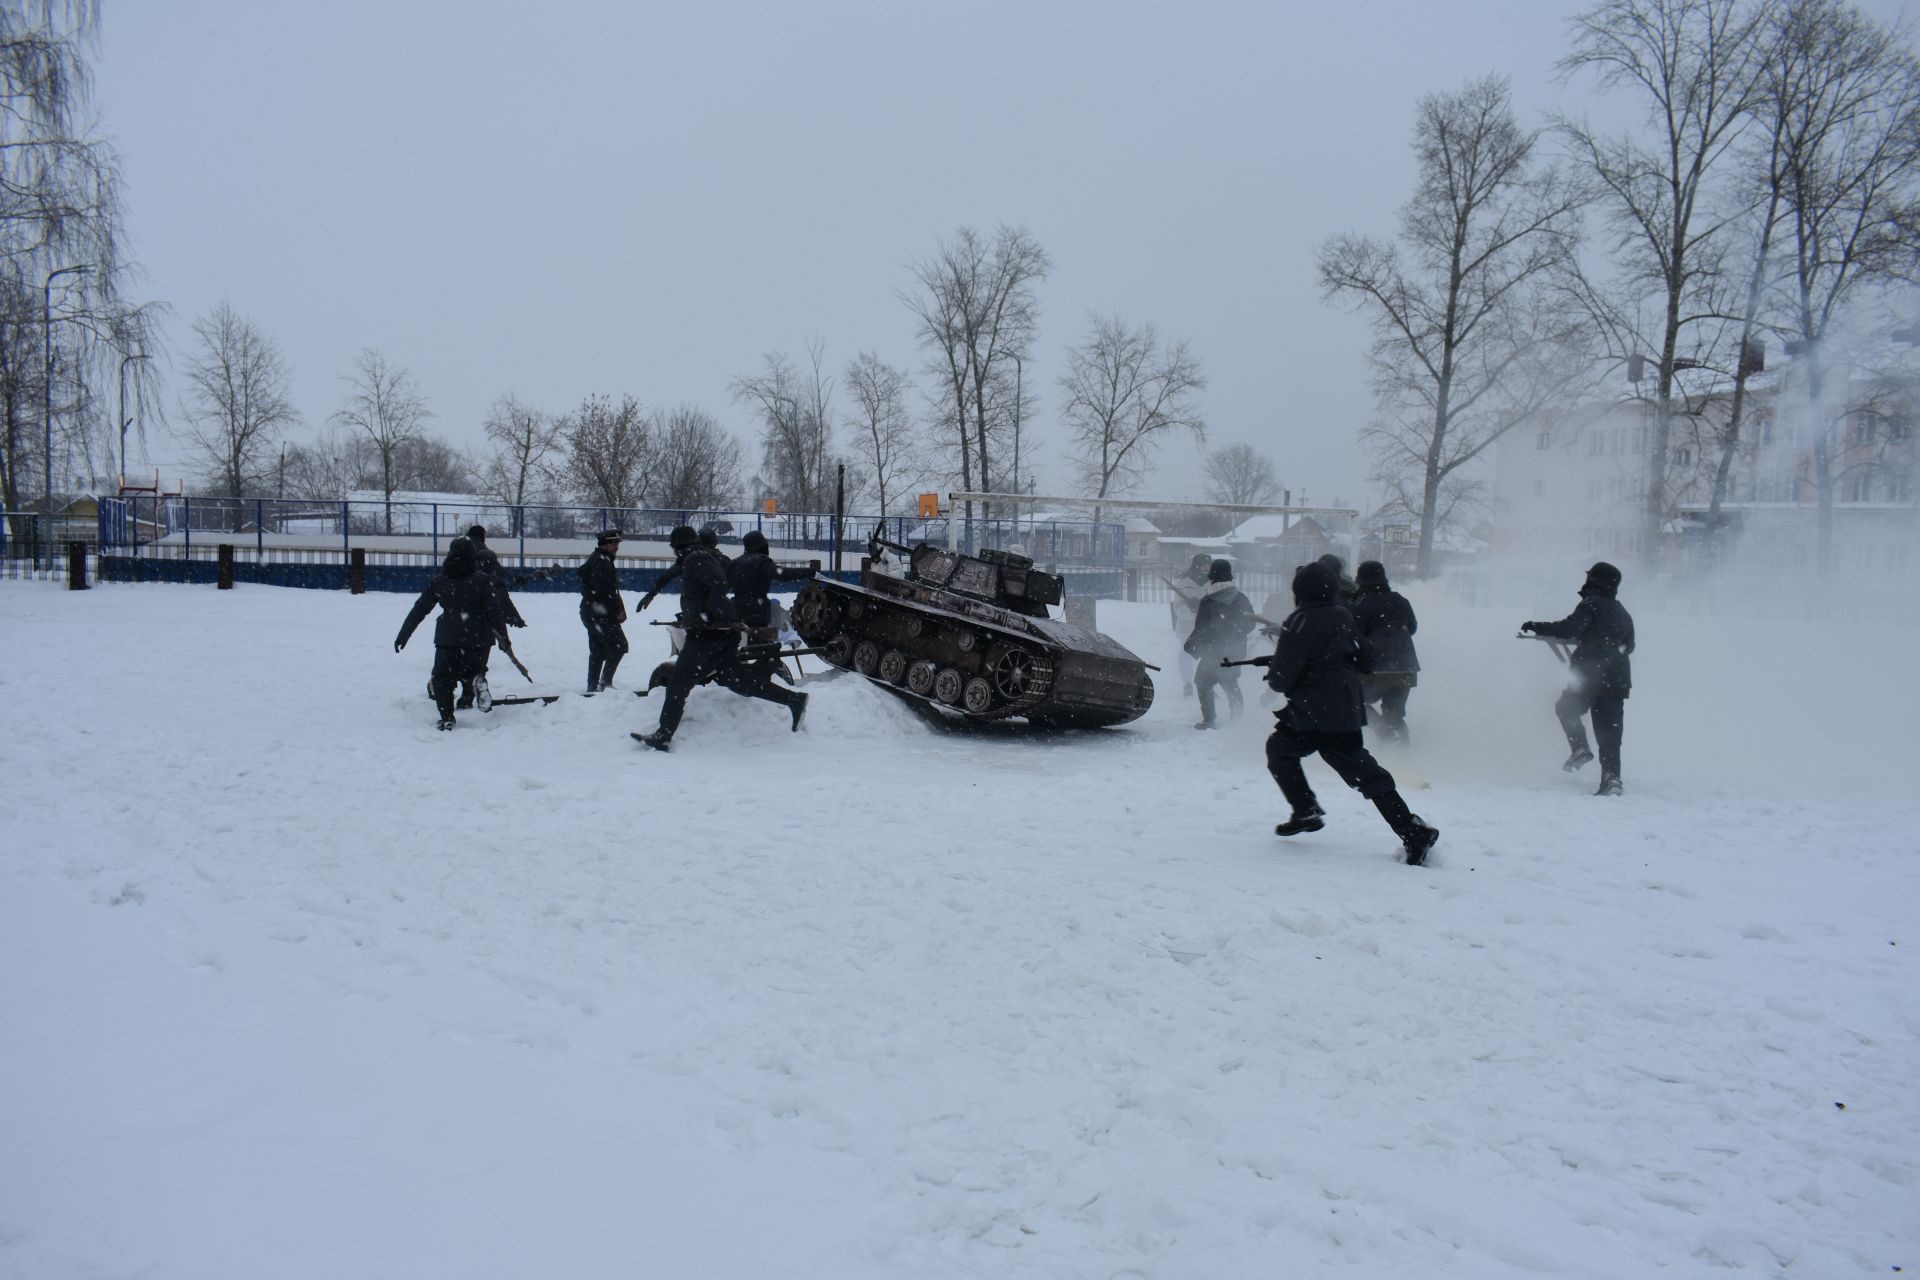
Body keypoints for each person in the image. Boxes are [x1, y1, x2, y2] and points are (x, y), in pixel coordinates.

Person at [1264, 560, 1439, 866]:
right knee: (1366, 774)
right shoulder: (1343, 616)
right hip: (1343, 711)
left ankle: (1306, 809)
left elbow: (1280, 680)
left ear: (1299, 592)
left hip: (1310, 714)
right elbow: (1368, 659)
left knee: (1279, 751)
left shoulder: (1298, 621)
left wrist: (1286, 666)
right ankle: (1411, 830)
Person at [634, 525, 807, 751]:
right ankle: (793, 700)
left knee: (680, 679)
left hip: (708, 632)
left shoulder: (696, 559)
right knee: (739, 682)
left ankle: (664, 735)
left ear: (679, 547)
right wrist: (651, 594)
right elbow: (671, 574)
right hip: (720, 633)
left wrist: (708, 612)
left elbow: (720, 583)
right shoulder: (693, 558)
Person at [1522, 561, 1634, 796]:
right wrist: (1602, 644)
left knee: (1566, 708)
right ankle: (1612, 778)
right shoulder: (1621, 610)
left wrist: (1537, 627)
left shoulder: (1591, 604)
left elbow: (1569, 628)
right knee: (1609, 731)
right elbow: (1629, 645)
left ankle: (1581, 748)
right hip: (1617, 679)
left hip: (1590, 676)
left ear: (1595, 581)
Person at [394, 537, 507, 731]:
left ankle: (447, 717)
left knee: (442, 679)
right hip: (479, 637)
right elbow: (495, 610)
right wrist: (504, 639)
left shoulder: (440, 581)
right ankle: (476, 679)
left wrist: (404, 634)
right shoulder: (482, 580)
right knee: (472, 669)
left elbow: (420, 609)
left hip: (448, 637)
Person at [1350, 559, 1419, 745]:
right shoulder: (1401, 600)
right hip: (1406, 668)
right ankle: (1400, 745)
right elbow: (1412, 628)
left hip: (1375, 668)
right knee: (1394, 713)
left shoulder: (1360, 604)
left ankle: (1385, 733)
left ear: (1360, 580)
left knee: (1355, 701)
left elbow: (1355, 637)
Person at [459, 524, 527, 708]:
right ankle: (470, 692)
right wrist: (513, 620)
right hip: (483, 623)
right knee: (478, 662)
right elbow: (500, 598)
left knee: (457, 659)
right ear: (482, 536)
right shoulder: (486, 558)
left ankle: (443, 686)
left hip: (458, 619)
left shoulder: (461, 550)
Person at [1185, 558, 1256, 729]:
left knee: (1203, 682)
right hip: (1236, 650)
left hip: (1212, 650)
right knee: (1230, 681)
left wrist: (1192, 645)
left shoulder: (1208, 600)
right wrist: (1235, 634)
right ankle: (1237, 717)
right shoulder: (1241, 598)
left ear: (1212, 576)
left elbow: (1201, 627)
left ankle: (1209, 719)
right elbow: (1251, 623)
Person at [728, 529, 817, 630]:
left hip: (737, 609)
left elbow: (723, 582)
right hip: (758, 610)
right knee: (759, 641)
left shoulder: (735, 563)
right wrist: (809, 571)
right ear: (760, 545)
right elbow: (783, 574)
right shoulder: (762, 562)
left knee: (740, 639)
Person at [578, 528, 628, 693]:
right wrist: (617, 611)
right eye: (614, 543)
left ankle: (593, 687)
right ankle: (604, 683)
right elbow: (604, 591)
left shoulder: (600, 559)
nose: (617, 547)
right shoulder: (601, 562)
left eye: (617, 543)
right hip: (599, 613)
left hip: (592, 612)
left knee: (598, 649)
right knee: (620, 645)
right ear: (605, 545)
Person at [1168, 552, 1212, 697]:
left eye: (1208, 564)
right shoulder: (1183, 582)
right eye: (1203, 564)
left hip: (1207, 627)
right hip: (1187, 626)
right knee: (1186, 654)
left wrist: (1204, 609)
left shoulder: (1213, 583)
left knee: (1209, 656)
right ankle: (1187, 683)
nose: (1206, 567)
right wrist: (1192, 610)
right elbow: (1178, 608)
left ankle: (1207, 684)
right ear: (1197, 565)